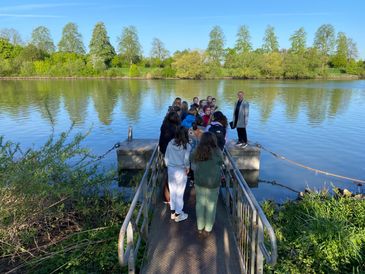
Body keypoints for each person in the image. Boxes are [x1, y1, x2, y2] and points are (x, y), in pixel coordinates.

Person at [190, 132, 223, 235]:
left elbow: (190, 158)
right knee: (211, 206)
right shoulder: (218, 151)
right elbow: (221, 162)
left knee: (200, 203)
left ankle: (200, 226)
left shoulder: (197, 150)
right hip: (213, 183)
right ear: (214, 141)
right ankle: (208, 228)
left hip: (199, 181)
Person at [164, 126, 191, 222]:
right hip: (181, 170)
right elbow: (186, 159)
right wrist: (188, 168)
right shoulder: (187, 146)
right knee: (180, 192)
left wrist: (168, 165)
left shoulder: (170, 143)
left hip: (171, 169)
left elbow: (166, 157)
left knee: (172, 190)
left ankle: (172, 212)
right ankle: (179, 213)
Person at [158, 111, 181, 203]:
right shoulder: (176, 129)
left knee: (168, 174)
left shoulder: (164, 126)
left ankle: (166, 198)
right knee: (173, 175)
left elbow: (161, 140)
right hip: (173, 153)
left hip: (164, 151)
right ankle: (173, 196)